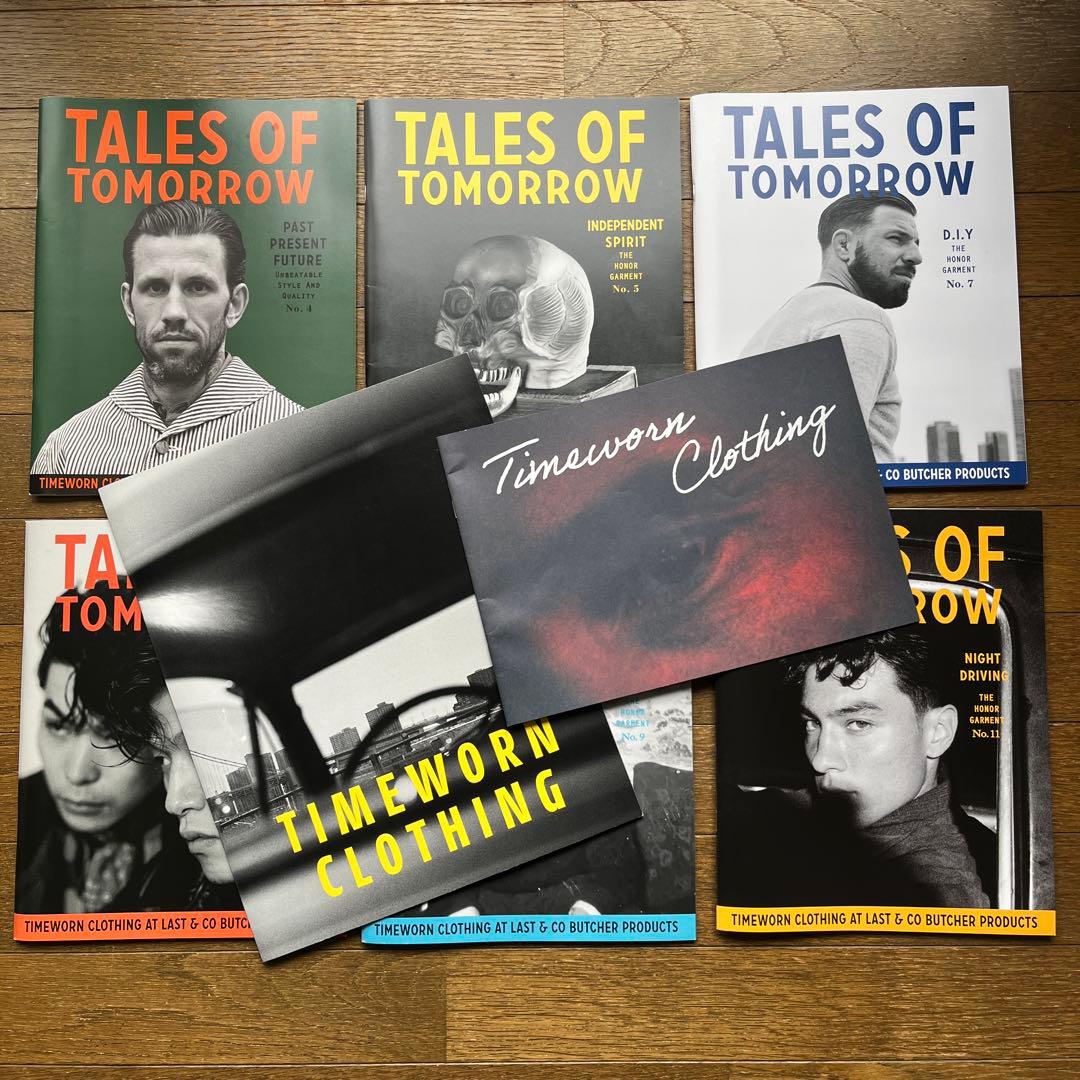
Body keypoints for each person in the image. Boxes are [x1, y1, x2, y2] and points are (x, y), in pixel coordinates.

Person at [31, 199, 302, 478]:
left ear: (234, 304)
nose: (174, 312)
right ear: (129, 304)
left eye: (198, 286)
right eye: (155, 287)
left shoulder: (301, 445)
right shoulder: (67, 449)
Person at [16, 585, 200, 914]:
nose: (77, 774)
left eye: (117, 737)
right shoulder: (17, 815)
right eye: (57, 726)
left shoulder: (208, 838)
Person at [787, 628, 990, 907]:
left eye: (859, 723)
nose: (820, 760)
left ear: (937, 733)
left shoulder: (936, 895)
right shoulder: (806, 813)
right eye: (813, 723)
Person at [740, 190, 922, 462]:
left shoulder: (782, 322)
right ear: (844, 245)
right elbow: (832, 455)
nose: (916, 256)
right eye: (897, 239)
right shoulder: (860, 318)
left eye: (916, 243)